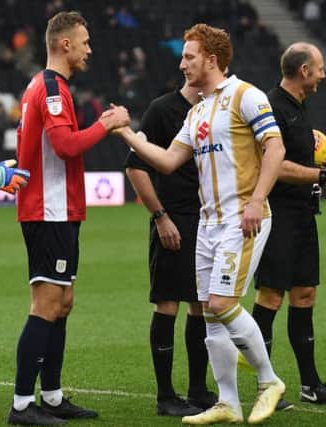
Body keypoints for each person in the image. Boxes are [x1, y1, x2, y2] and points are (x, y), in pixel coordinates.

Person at [114, 23, 286, 425]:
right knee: (210, 312)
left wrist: (258, 199)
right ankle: (228, 402)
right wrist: (124, 131)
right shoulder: (198, 111)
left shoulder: (247, 95)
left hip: (240, 219)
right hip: (208, 225)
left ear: (212, 59)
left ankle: (268, 380)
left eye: (189, 56)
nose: (182, 63)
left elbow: (274, 147)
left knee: (224, 305)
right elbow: (168, 161)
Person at [9, 11, 130, 426]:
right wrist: (107, 123)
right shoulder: (50, 88)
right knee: (46, 303)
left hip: (57, 208)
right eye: (85, 40)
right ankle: (23, 405)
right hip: (49, 210)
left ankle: (52, 395)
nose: (89, 48)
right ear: (64, 44)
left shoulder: (43, 87)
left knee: (62, 303)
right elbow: (64, 145)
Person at [252, 42, 326, 409]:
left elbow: (293, 158)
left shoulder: (299, 107)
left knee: (305, 296)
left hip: (301, 214)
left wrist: (321, 164)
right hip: (276, 215)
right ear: (303, 72)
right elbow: (275, 166)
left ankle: (311, 384)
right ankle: (263, 384)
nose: (324, 74)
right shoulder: (271, 108)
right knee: (270, 296)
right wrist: (324, 176)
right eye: (319, 68)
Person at [124, 77, 217, 416]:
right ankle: (165, 396)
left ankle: (197, 390)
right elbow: (135, 167)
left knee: (201, 305)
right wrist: (160, 216)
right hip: (174, 219)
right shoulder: (162, 110)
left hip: (209, 221)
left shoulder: (217, 112)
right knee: (168, 304)